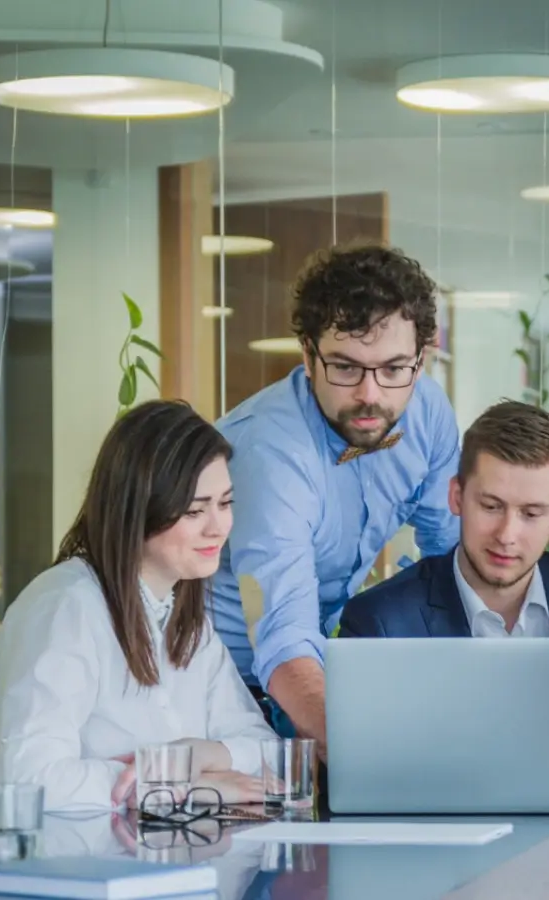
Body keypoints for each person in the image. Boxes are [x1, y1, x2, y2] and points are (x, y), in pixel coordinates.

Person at [0, 401, 276, 832]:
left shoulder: (187, 620)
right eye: (194, 510)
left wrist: (198, 755)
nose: (218, 527)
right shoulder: (66, 606)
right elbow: (29, 780)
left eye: (225, 503)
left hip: (125, 865)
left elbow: (267, 752)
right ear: (140, 508)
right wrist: (179, 785)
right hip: (8, 869)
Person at [340, 401, 549, 802]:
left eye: (532, 513)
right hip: (440, 857)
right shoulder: (380, 623)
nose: (507, 534)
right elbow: (365, 787)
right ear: (456, 497)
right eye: (491, 506)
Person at [209, 243, 460, 742]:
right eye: (345, 367)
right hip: (224, 686)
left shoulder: (427, 412)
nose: (371, 394)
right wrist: (360, 750)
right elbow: (280, 632)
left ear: (422, 357)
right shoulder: (272, 454)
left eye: (393, 369)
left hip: (321, 668)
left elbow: (449, 560)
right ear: (307, 353)